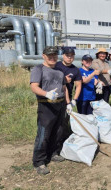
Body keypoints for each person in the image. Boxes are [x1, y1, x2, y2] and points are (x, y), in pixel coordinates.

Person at [30, 46, 69, 175]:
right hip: (46, 105)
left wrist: (68, 103)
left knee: (58, 131)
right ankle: (39, 161)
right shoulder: (38, 69)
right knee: (43, 134)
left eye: (54, 55)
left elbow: (64, 88)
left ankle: (53, 153)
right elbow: (34, 86)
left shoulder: (59, 70)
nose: (52, 58)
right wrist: (46, 94)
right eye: (49, 56)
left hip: (60, 104)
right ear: (44, 56)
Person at [54, 47, 82, 162]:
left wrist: (73, 100)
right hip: (54, 98)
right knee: (54, 124)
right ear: (63, 55)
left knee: (64, 124)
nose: (69, 57)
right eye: (67, 55)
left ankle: (62, 147)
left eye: (71, 55)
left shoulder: (75, 70)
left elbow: (79, 85)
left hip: (67, 100)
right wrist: (62, 80)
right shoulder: (56, 66)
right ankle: (52, 150)